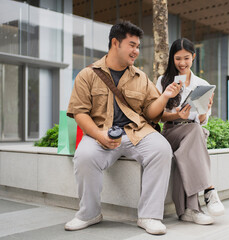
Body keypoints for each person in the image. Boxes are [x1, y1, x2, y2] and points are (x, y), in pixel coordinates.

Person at [64, 21, 182, 235]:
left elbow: (151, 112)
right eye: (132, 45)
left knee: (161, 149)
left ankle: (150, 216)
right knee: (84, 156)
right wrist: (99, 135)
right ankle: (89, 214)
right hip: (100, 132)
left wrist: (165, 96)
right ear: (115, 43)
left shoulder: (141, 77)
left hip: (136, 132)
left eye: (138, 46)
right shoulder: (87, 75)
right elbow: (79, 113)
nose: (136, 51)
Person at [156, 38, 225, 225]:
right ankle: (209, 190)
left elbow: (202, 120)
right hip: (171, 132)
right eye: (178, 58)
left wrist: (204, 110)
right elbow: (158, 116)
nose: (182, 63)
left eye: (186, 58)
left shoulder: (201, 84)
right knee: (195, 133)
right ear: (172, 58)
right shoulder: (163, 81)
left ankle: (188, 211)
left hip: (192, 132)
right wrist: (176, 114)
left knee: (194, 132)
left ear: (193, 57)